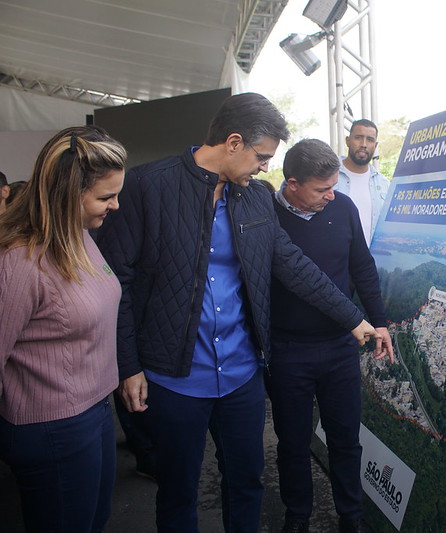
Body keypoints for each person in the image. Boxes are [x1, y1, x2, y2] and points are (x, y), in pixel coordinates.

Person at [95, 92, 380, 533]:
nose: (265, 166)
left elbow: (295, 267)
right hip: (174, 377)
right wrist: (127, 365)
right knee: (177, 492)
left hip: (242, 376)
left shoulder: (255, 198)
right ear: (232, 143)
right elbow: (118, 282)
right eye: (261, 156)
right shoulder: (148, 187)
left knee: (247, 483)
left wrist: (354, 319)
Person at [0, 126, 127, 532]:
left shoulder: (81, 234)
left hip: (93, 410)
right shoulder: (20, 263)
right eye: (106, 197)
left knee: (94, 520)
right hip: (50, 426)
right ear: (66, 195)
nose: (116, 205)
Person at [266, 139, 394, 533]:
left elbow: (362, 267)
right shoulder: (266, 215)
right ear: (292, 184)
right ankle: (298, 516)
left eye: (334, 186)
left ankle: (350, 516)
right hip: (288, 351)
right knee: (292, 443)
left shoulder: (343, 208)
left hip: (341, 347)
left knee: (345, 439)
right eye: (321, 189)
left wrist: (380, 321)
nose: (330, 196)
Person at [334, 119, 390, 244]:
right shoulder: (328, 174)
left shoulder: (384, 184)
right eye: (358, 138)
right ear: (348, 141)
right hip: (336, 259)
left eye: (370, 140)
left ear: (375, 146)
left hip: (370, 261)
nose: (364, 144)